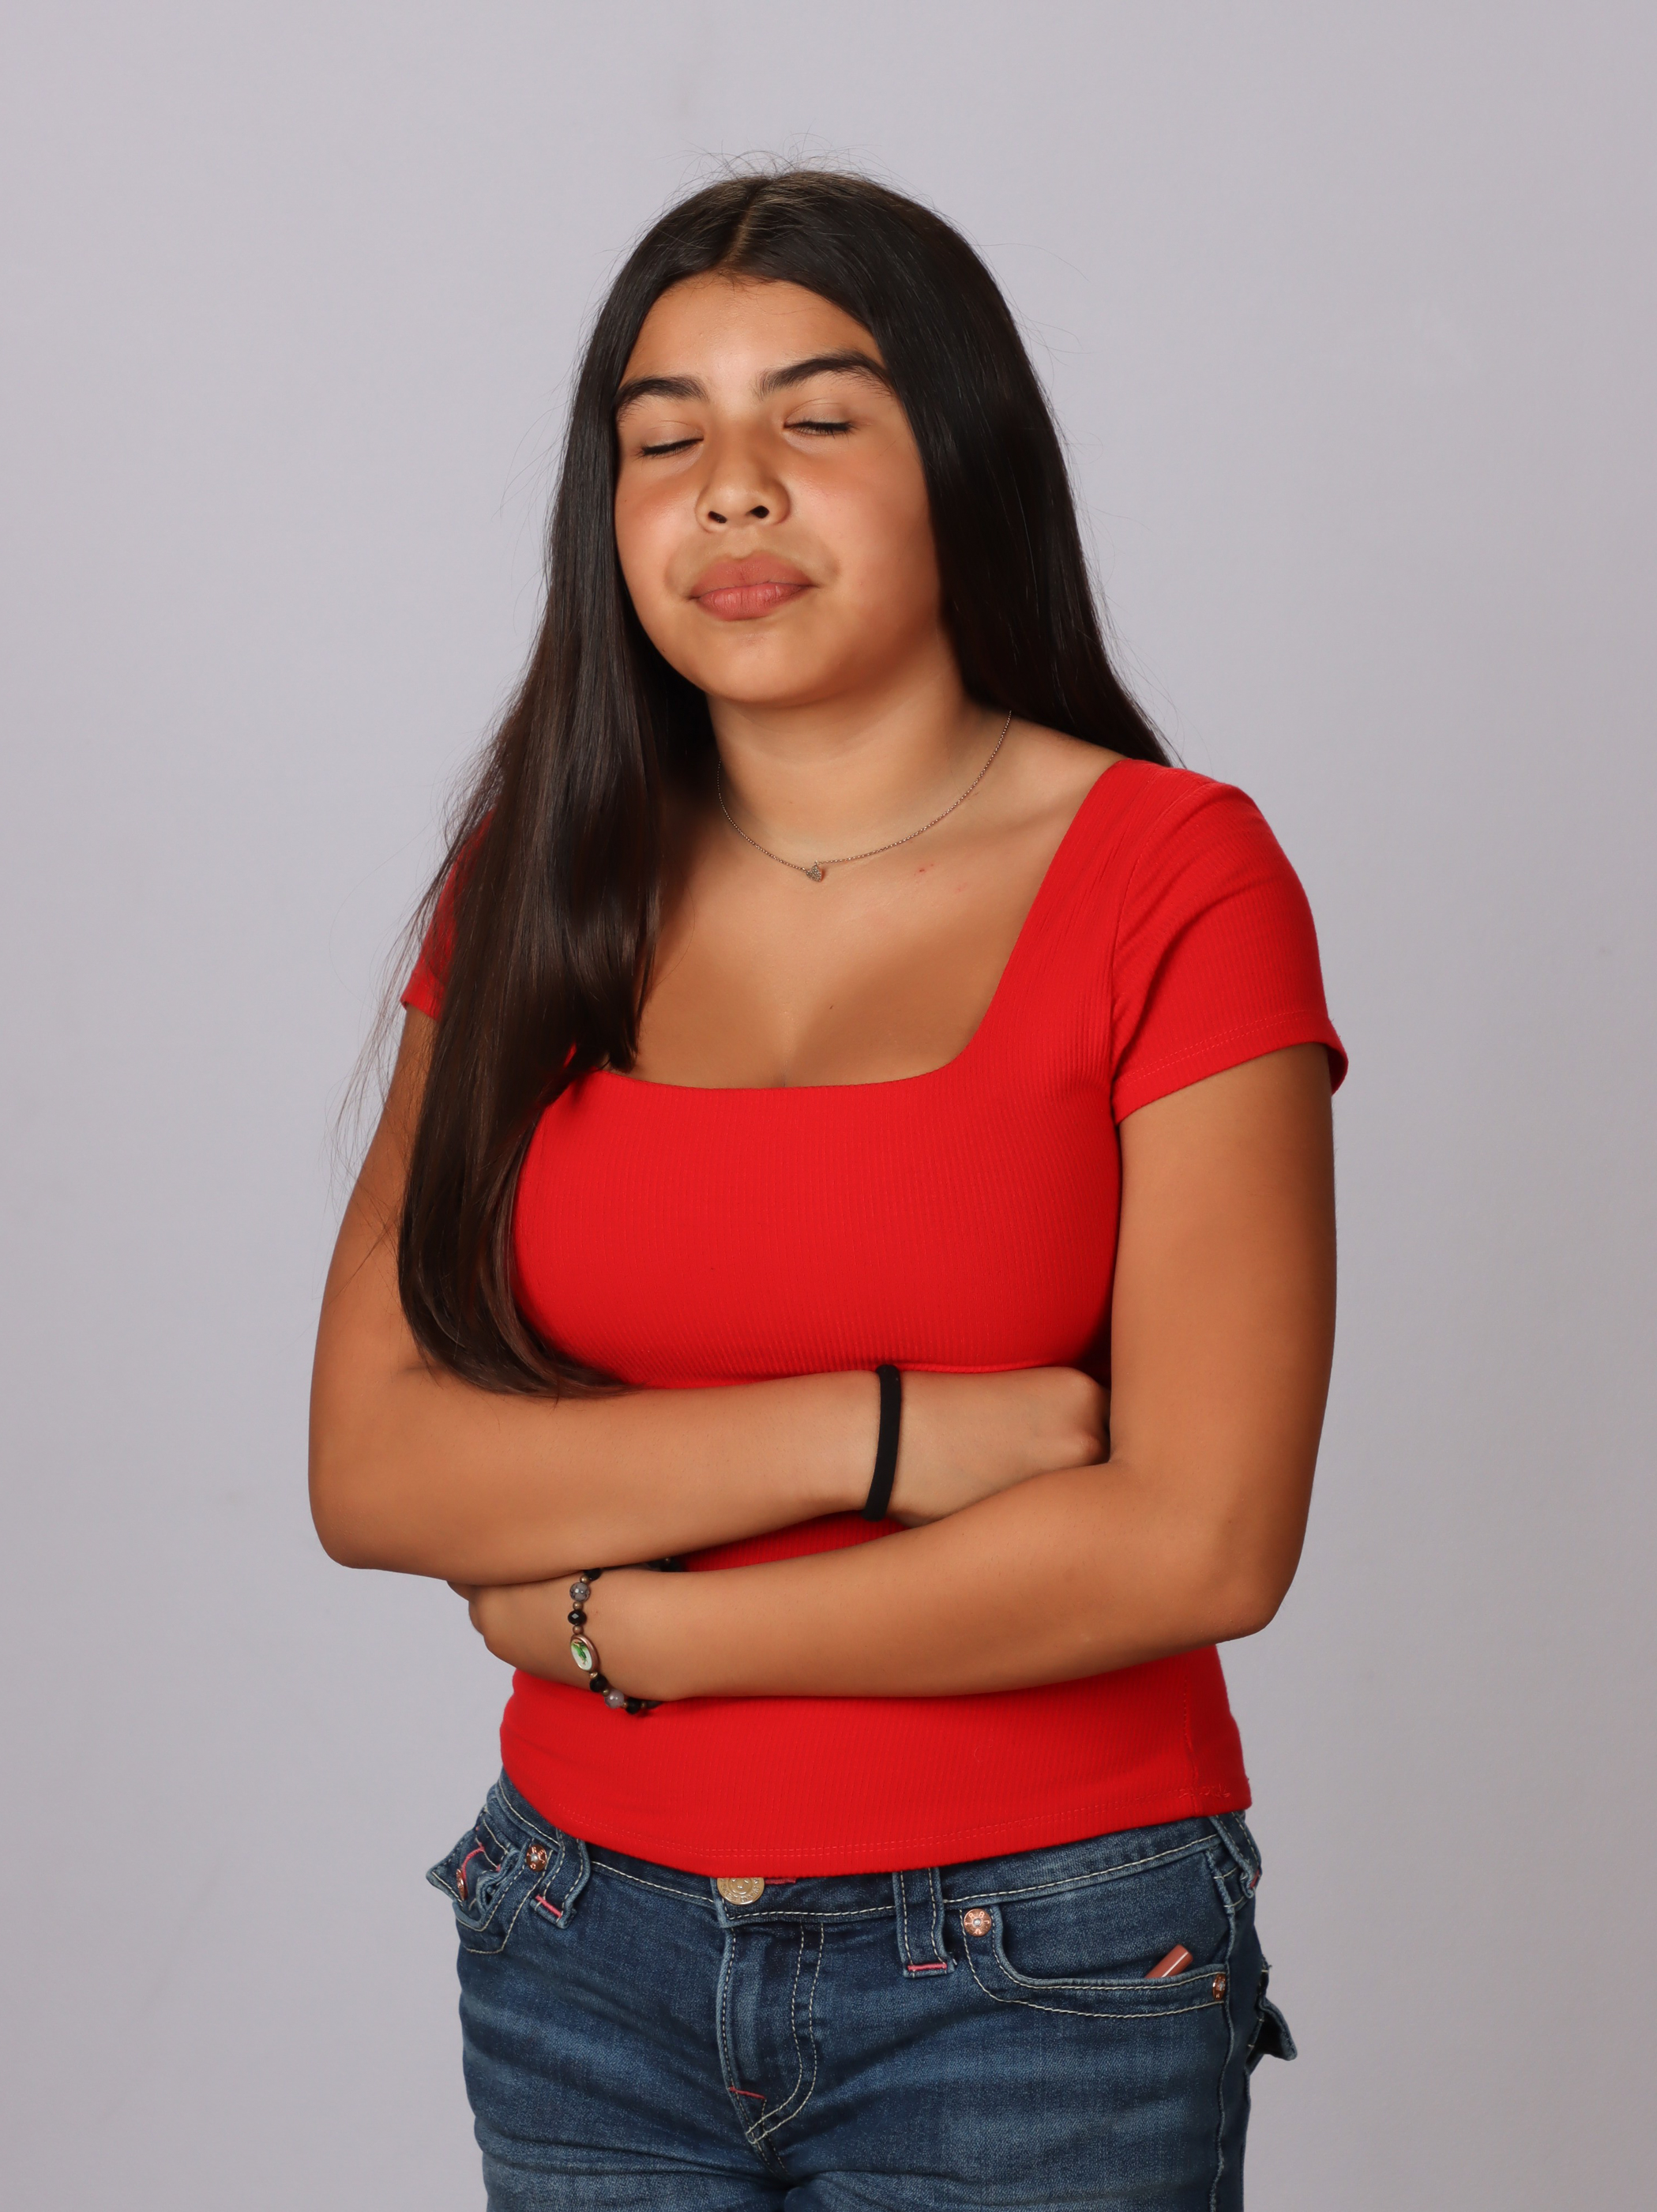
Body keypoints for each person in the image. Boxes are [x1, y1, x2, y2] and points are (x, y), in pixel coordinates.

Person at [310, 167, 1343, 2210]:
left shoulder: (1175, 875)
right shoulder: (536, 882)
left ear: (962, 458)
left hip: (1040, 1960)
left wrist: (632, 1627)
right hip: (575, 1941)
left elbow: (1202, 1541)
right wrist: (882, 1435)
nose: (734, 489)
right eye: (664, 438)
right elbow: (379, 1465)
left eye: (817, 417)